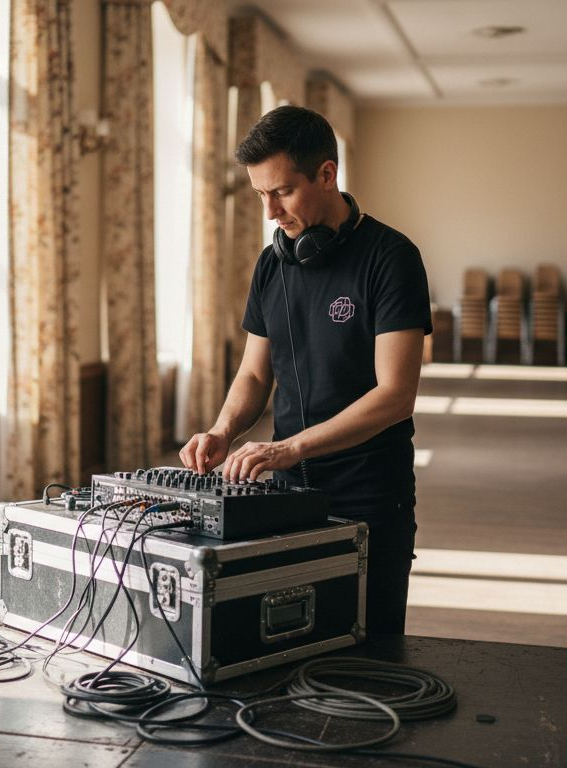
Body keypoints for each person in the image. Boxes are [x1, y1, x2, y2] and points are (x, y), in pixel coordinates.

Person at [179, 105, 431, 635]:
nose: (270, 212)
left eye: (282, 192)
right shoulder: (272, 264)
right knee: (288, 644)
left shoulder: (392, 258)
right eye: (260, 195)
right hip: (288, 492)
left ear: (327, 174)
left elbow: (395, 395)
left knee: (372, 653)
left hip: (369, 494)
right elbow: (254, 375)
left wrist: (289, 447)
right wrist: (223, 430)